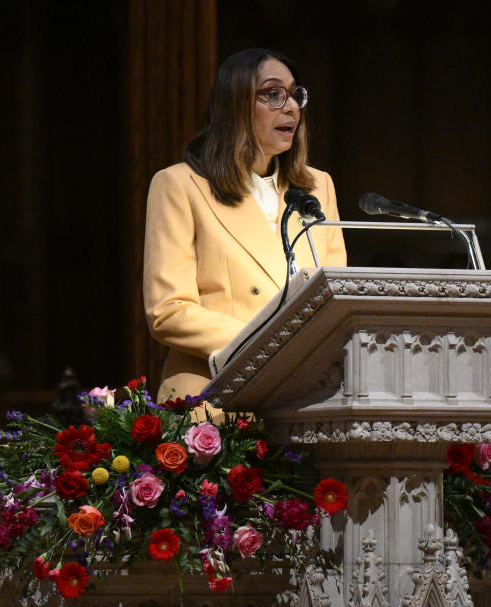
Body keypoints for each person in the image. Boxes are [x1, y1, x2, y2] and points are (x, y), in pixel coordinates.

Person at [143, 49, 347, 404]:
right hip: (215, 392)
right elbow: (169, 311)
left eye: (295, 94)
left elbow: (337, 297)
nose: (292, 108)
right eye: (273, 94)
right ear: (235, 105)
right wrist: (269, 345)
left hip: (303, 395)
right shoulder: (180, 185)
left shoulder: (317, 186)